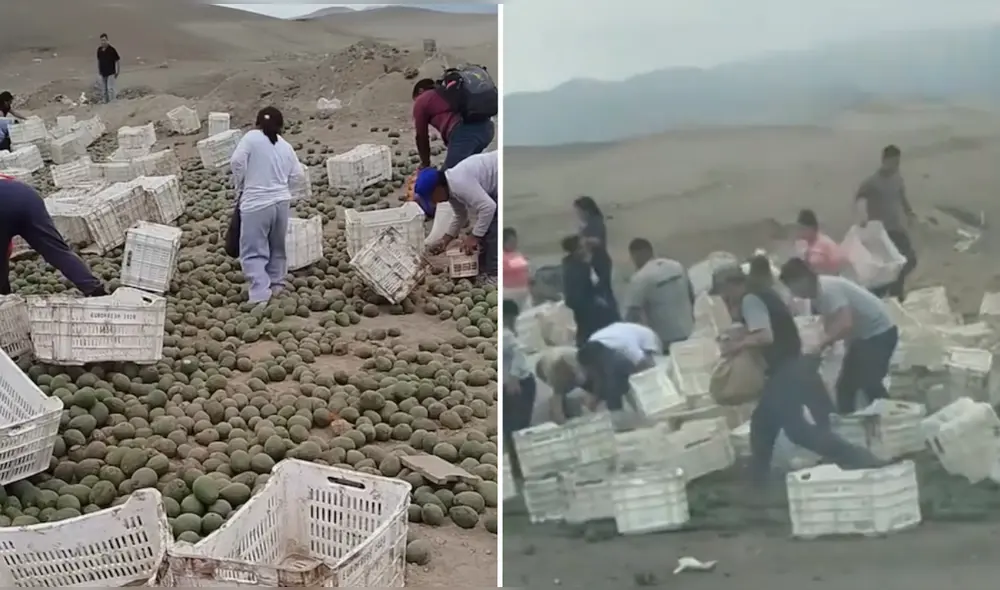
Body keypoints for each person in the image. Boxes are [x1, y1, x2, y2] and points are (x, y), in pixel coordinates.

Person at [710, 264, 881, 486]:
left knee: (798, 432)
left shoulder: (750, 300)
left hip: (785, 371)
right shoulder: (764, 293)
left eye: (724, 291)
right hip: (795, 365)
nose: (724, 297)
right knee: (764, 425)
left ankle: (860, 459)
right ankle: (758, 482)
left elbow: (765, 336)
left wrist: (737, 345)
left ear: (731, 284)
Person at [779, 258, 898, 414]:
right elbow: (831, 323)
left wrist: (822, 344)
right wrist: (818, 351)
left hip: (879, 333)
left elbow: (845, 323)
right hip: (862, 338)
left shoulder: (828, 289)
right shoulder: (818, 295)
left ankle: (893, 417)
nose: (793, 293)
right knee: (845, 387)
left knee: (870, 382)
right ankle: (848, 424)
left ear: (803, 280)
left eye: (792, 287)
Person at [229, 107, 305, 306]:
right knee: (277, 248)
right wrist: (282, 189)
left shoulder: (251, 138)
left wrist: (241, 183)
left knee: (253, 251)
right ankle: (277, 286)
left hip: (256, 203)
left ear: (257, 123)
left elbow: (237, 161)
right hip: (281, 203)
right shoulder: (285, 146)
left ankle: (260, 295)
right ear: (281, 127)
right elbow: (298, 175)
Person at [0, 178, 106, 296]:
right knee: (58, 251)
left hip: (6, 205)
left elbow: (7, 250)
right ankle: (95, 289)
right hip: (27, 197)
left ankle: (4, 299)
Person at [415, 151, 498, 286]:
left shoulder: (459, 183)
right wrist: (446, 239)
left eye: (431, 198)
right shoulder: (450, 188)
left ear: (437, 189)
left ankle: (494, 274)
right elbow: (461, 215)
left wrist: (474, 237)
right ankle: (484, 269)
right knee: (483, 227)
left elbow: (488, 207)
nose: (433, 203)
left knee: (492, 226)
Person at [856, 145, 917, 300]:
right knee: (888, 266)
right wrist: (862, 215)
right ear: (884, 160)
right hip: (881, 233)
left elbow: (902, 197)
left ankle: (895, 289)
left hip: (896, 228)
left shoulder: (897, 179)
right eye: (893, 162)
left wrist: (910, 213)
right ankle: (892, 295)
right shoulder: (872, 182)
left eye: (898, 162)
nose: (896, 166)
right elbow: (861, 198)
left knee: (909, 260)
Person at [623, 238, 694, 351]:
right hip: (689, 331)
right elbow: (691, 295)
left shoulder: (640, 278)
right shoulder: (677, 266)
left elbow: (632, 315)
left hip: (665, 338)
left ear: (635, 255)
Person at [576, 321, 661, 414]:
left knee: (624, 376)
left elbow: (646, 365)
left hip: (647, 340)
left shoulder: (627, 347)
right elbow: (598, 376)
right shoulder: (591, 345)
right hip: (619, 336)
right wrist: (595, 397)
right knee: (612, 375)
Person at [412, 77, 495, 171]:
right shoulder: (449, 91)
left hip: (465, 134)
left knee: (449, 176)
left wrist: (425, 164)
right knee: (469, 170)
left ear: (420, 91)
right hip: (487, 129)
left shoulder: (422, 99)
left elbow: (421, 136)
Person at [502, 299, 538, 479]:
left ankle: (523, 469)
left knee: (518, 428)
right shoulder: (505, 333)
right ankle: (518, 470)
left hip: (519, 385)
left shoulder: (506, 334)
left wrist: (513, 377)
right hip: (513, 385)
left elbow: (518, 353)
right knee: (511, 430)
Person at [561, 235, 618, 346]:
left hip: (594, 316)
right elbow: (577, 297)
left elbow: (604, 269)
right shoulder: (576, 270)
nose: (587, 249)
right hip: (590, 318)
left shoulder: (582, 265)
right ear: (576, 251)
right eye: (583, 247)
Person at [573, 196, 615, 302]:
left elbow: (598, 240)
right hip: (595, 262)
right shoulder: (588, 223)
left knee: (603, 293)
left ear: (586, 211)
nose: (578, 215)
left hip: (600, 263)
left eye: (579, 212)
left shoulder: (595, 222)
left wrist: (584, 241)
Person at [795, 209, 846, 276]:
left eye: (804, 229)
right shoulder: (800, 244)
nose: (802, 232)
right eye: (800, 229)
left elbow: (838, 267)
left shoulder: (827, 244)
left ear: (812, 228)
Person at [502, 228, 530, 308]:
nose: (514, 244)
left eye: (515, 241)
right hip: (509, 292)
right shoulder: (502, 256)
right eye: (511, 242)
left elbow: (526, 267)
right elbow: (512, 266)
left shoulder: (518, 254)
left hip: (524, 290)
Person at [96, 34, 121, 104]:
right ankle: (105, 102)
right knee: (104, 89)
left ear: (107, 40)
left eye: (104, 40)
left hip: (111, 72)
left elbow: (117, 60)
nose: (103, 42)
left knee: (110, 89)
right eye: (101, 40)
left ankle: (112, 103)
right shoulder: (99, 50)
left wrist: (118, 71)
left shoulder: (112, 50)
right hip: (103, 73)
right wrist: (99, 70)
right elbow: (99, 61)